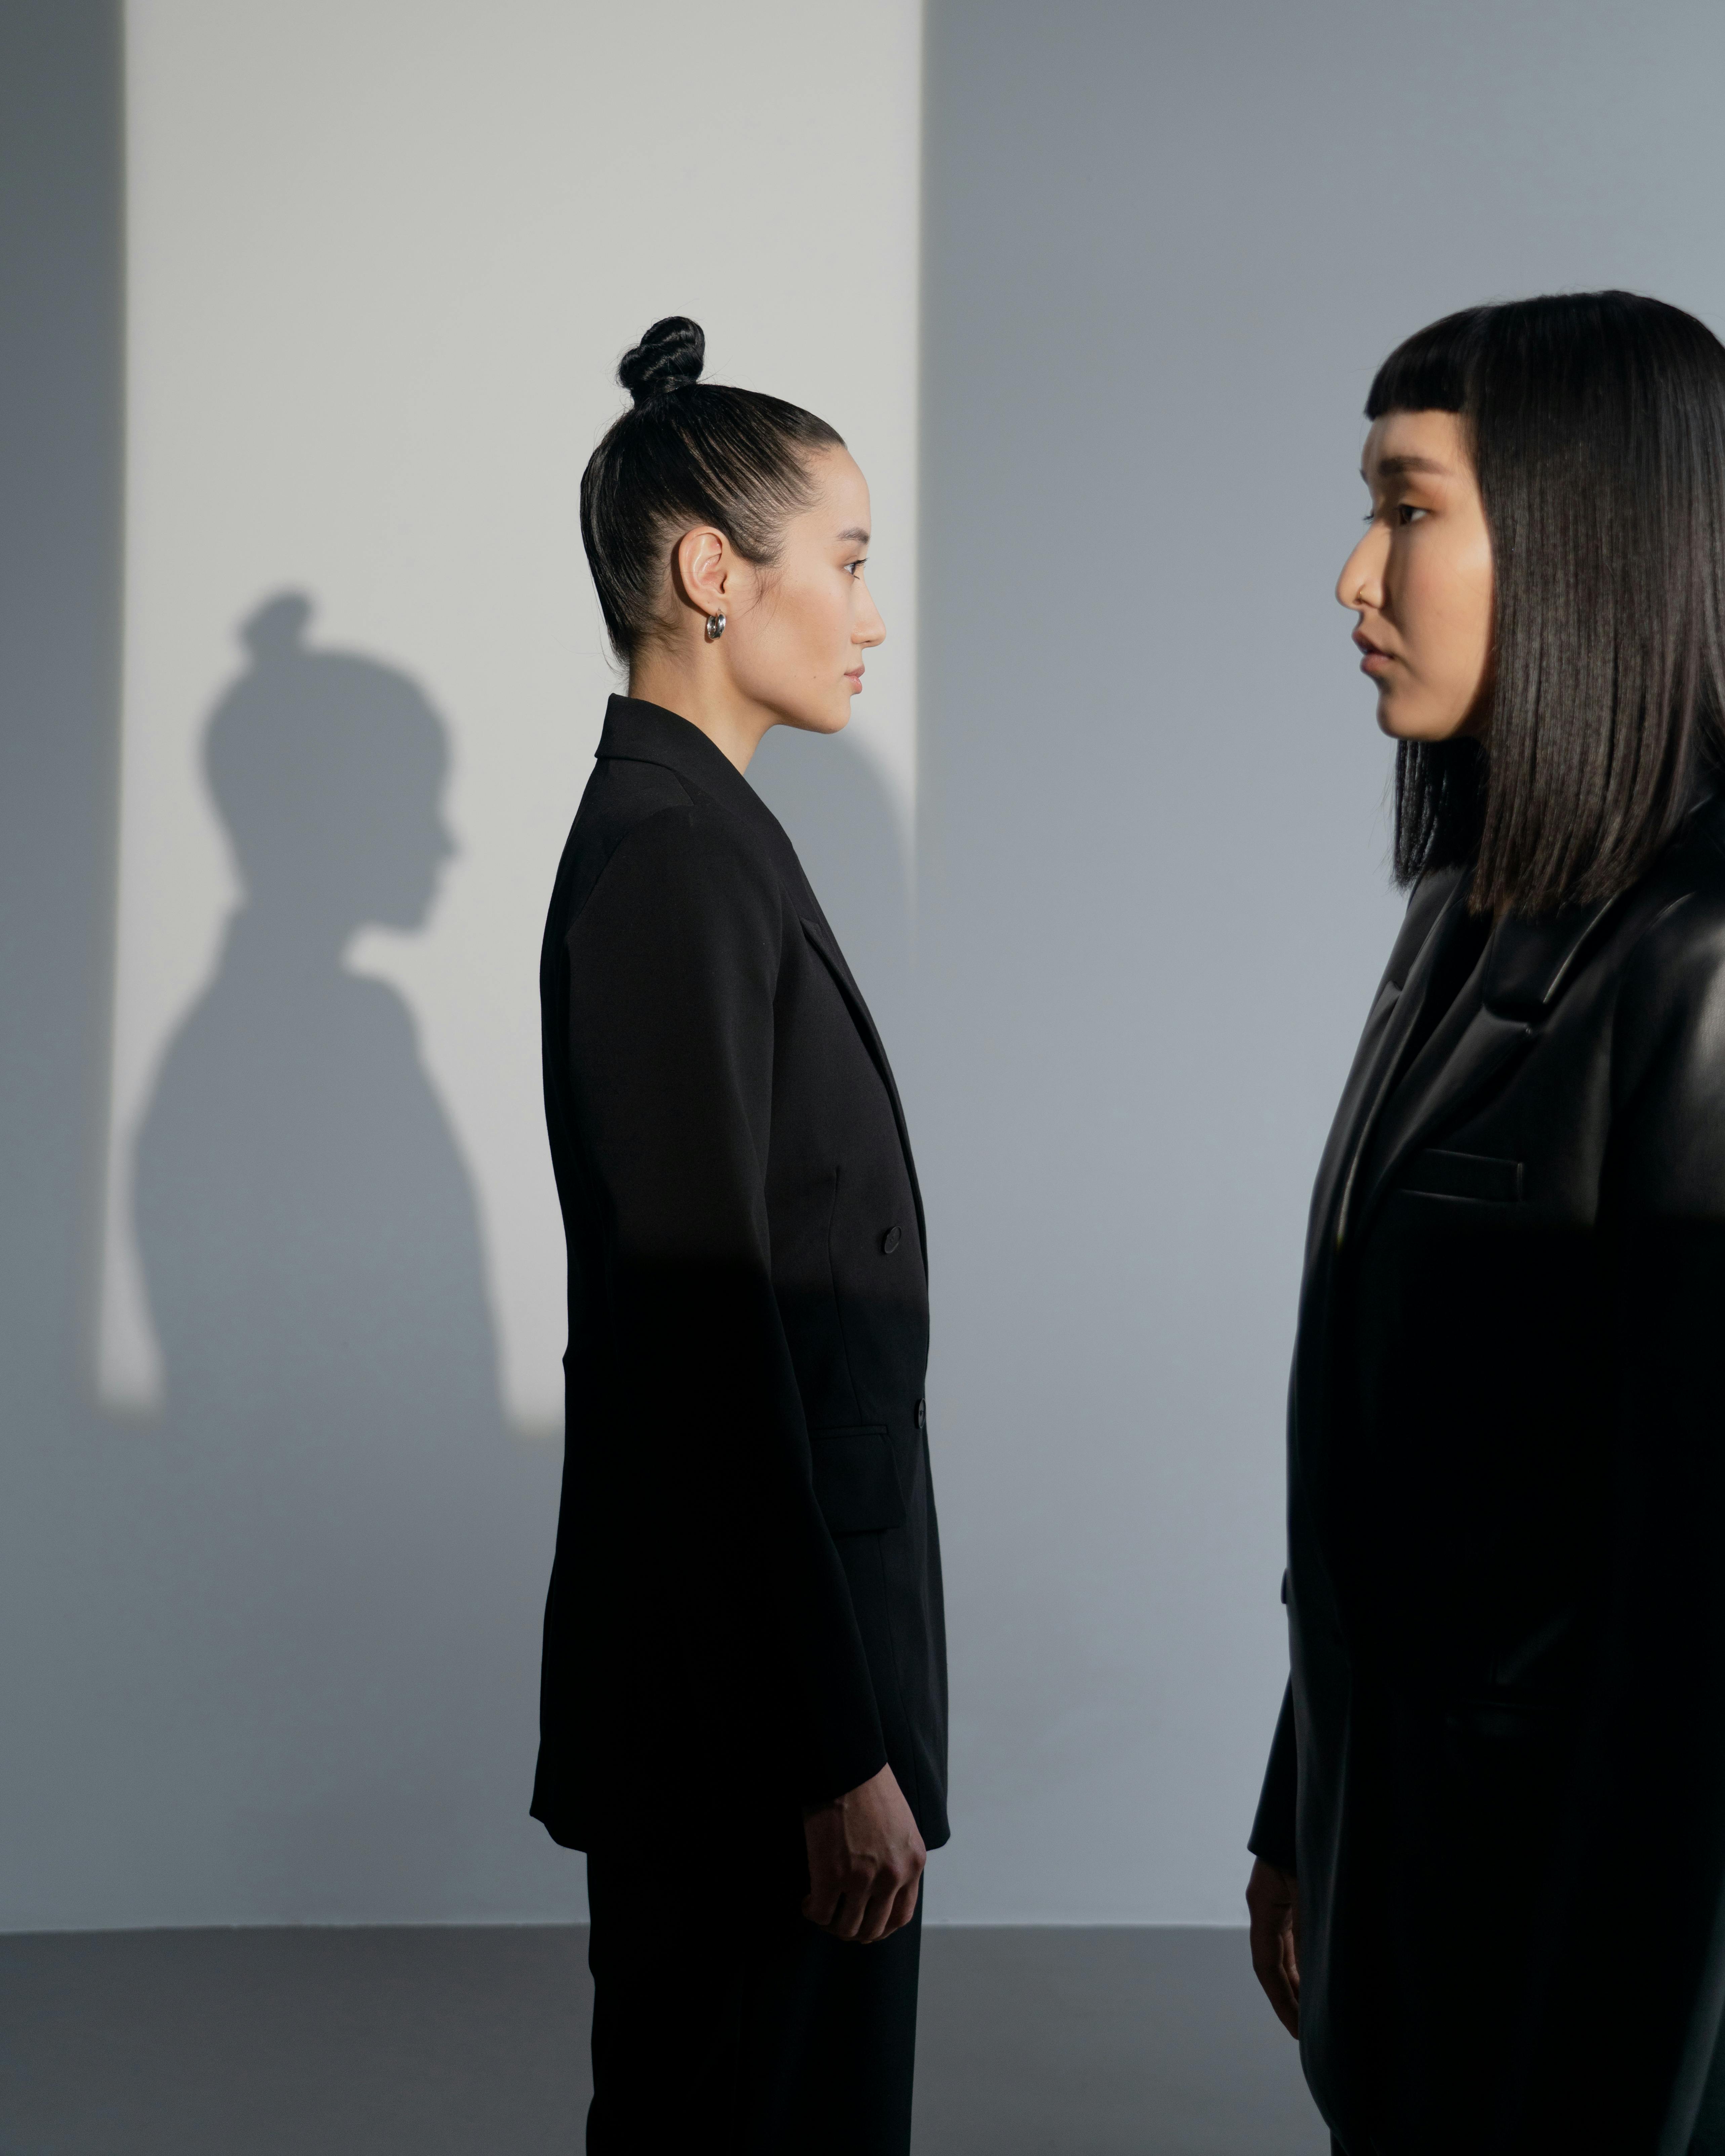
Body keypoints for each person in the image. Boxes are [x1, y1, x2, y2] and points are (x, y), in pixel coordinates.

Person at [1245, 291, 1725, 2153]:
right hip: (1415, 1909)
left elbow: (1696, 1651)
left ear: (1590, 531)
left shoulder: (1700, 969)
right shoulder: (1463, 909)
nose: (1356, 573)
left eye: (1412, 507)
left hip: (1575, 1982)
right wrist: (1308, 1810)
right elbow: (1394, 1471)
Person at [531, 317, 947, 2154]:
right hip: (746, 1728)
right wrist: (828, 1751)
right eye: (848, 562)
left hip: (763, 1688)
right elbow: (701, 1339)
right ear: (715, 572)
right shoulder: (672, 860)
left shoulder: (704, 835)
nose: (869, 613)